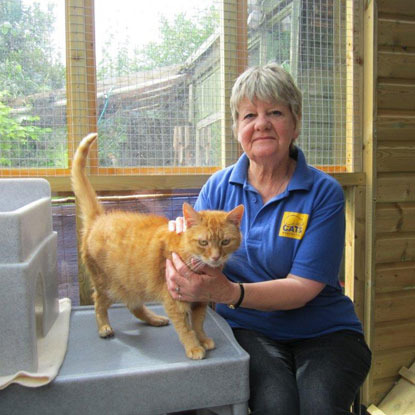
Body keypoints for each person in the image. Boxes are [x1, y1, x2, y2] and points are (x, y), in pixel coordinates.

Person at [165, 63, 371, 414]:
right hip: (249, 328)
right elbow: (189, 256)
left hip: (325, 330)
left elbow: (303, 288)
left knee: (319, 406)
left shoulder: (323, 192)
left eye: (274, 112)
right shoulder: (218, 187)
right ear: (237, 129)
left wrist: (230, 293)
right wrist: (175, 250)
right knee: (276, 405)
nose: (260, 123)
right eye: (248, 115)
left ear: (295, 122)